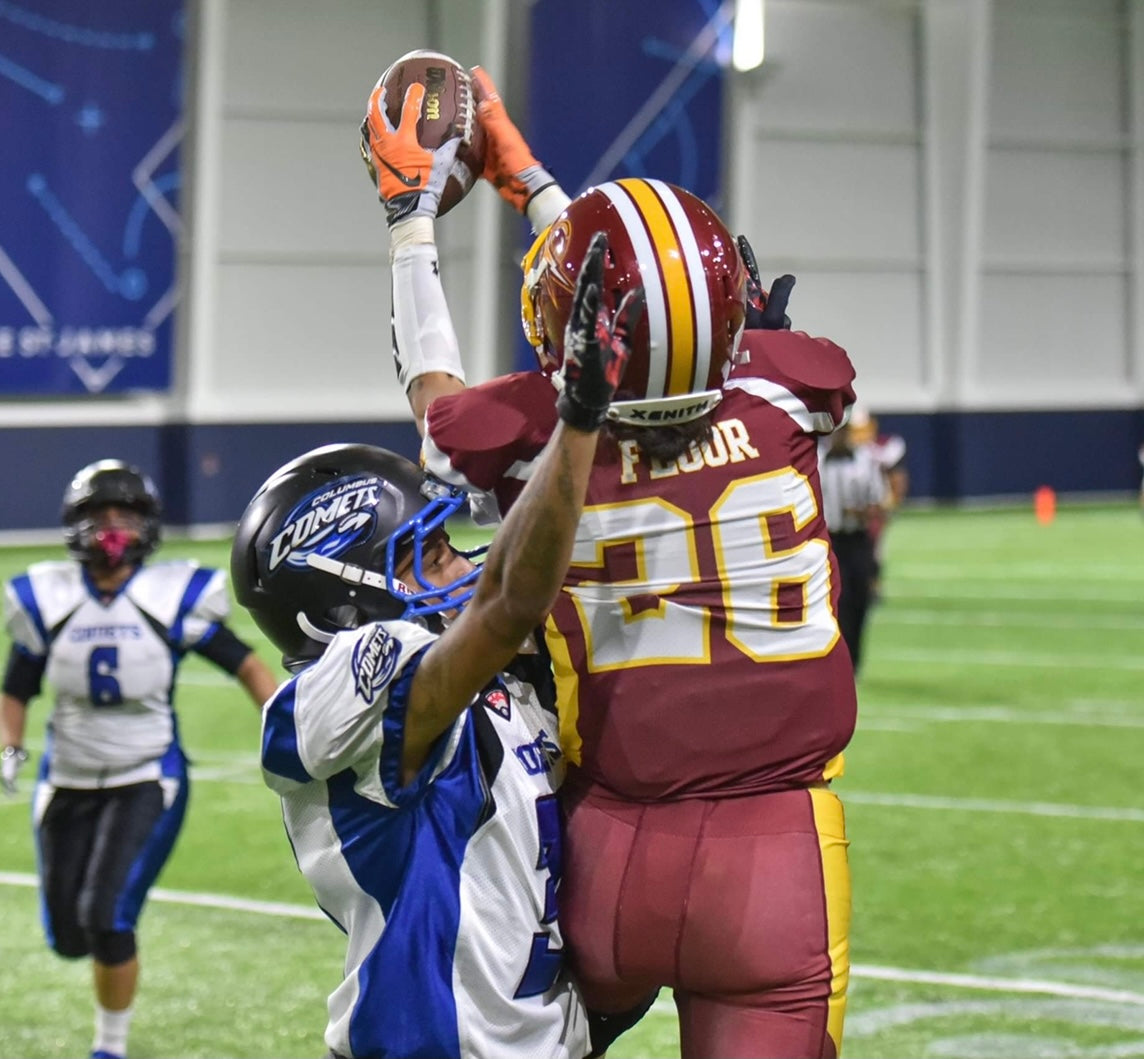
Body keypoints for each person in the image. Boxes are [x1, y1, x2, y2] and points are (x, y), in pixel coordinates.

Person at [363, 67, 858, 1059]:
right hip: (777, 859)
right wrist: (533, 181)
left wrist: (410, 224)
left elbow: (450, 392)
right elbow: (661, 313)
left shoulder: (526, 434)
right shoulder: (796, 386)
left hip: (604, 850)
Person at [229, 233, 649, 1059]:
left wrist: (412, 230)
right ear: (342, 593)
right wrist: (578, 419)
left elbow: (452, 432)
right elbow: (502, 602)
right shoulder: (346, 680)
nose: (462, 560)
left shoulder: (488, 680)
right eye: (426, 553)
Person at [0, 459, 279, 1059]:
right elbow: (16, 686)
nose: (113, 528)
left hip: (147, 774)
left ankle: (110, 1048)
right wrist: (12, 747)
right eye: (101, 516)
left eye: (126, 515)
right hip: (66, 777)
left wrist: (284, 725)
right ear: (77, 525)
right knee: (69, 936)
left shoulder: (168, 596)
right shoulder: (47, 598)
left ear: (147, 524)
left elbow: (247, 664)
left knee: (107, 916)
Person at [818, 420, 890, 673]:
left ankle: (854, 661)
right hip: (830, 541)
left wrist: (862, 512)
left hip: (858, 540)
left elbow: (881, 503)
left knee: (861, 600)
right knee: (838, 602)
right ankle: (839, 661)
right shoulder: (815, 460)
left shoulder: (865, 461)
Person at [849, 404, 908, 596]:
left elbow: (898, 477)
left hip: (876, 505)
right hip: (850, 505)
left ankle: (872, 584)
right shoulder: (841, 451)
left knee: (874, 547)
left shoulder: (884, 448)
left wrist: (893, 501)